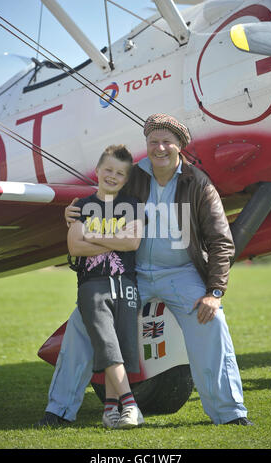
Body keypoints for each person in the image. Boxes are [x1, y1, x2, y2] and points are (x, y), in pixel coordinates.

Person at [36, 113, 253, 427]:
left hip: (181, 274)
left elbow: (221, 240)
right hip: (130, 272)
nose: (160, 147)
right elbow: (102, 198)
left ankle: (230, 414)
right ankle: (58, 410)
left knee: (213, 323)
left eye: (167, 141)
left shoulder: (199, 183)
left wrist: (215, 292)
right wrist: (78, 211)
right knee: (82, 321)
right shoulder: (133, 175)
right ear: (147, 144)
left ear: (181, 145)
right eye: (153, 141)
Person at [45, 144, 144, 429]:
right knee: (106, 341)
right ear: (98, 170)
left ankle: (110, 410)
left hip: (125, 282)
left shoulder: (133, 206)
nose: (112, 176)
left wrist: (93, 233)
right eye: (108, 170)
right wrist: (112, 234)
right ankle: (131, 404)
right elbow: (75, 246)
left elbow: (132, 243)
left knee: (122, 347)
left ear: (126, 179)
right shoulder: (81, 205)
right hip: (93, 283)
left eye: (120, 174)